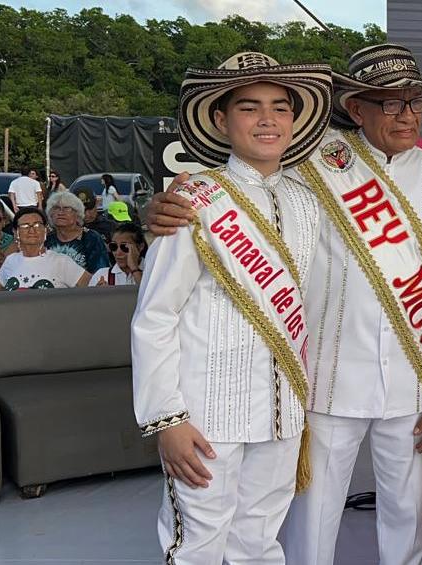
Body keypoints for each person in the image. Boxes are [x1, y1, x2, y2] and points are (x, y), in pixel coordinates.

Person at [147, 43, 422, 565]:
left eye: (415, 100)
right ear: (356, 107)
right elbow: (238, 196)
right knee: (307, 525)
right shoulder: (310, 162)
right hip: (325, 378)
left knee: (406, 522)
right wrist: (159, 208)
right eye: (389, 102)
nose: (407, 113)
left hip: (414, 377)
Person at [131, 51, 331, 564]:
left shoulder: (308, 202)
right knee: (198, 542)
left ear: (295, 119)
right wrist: (166, 419)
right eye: (249, 107)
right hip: (206, 413)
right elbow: (155, 315)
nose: (267, 119)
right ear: (221, 120)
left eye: (280, 107)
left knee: (260, 542)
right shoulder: (193, 199)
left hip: (282, 410)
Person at [0, 206, 89, 290]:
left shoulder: (61, 261)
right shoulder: (11, 260)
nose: (32, 230)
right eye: (25, 226)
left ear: (45, 230)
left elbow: (93, 285)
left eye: (37, 225)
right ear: (15, 232)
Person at [44, 191, 111, 273]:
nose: (60, 212)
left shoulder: (91, 238)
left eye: (67, 208)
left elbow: (100, 273)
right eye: (56, 208)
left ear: (77, 214)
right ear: (50, 214)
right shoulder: (46, 240)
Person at [89, 222, 146, 286]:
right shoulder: (102, 275)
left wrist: (134, 269)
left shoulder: (152, 271)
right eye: (114, 246)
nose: (118, 252)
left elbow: (149, 293)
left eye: (124, 247)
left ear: (141, 247)